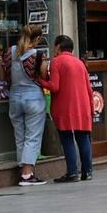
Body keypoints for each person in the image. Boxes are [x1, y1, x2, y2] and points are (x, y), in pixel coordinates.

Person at [37, 35, 96, 183]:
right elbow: (89, 88)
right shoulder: (79, 63)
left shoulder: (56, 61)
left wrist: (40, 81)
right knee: (83, 139)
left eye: (54, 46)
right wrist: (91, 107)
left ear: (58, 47)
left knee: (67, 139)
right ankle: (87, 172)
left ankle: (72, 172)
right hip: (82, 107)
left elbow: (55, 86)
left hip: (64, 107)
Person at [1, 24, 47, 186]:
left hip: (14, 97)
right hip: (34, 98)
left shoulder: (9, 52)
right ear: (37, 38)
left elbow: (2, 75)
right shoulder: (38, 56)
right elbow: (44, 76)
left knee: (20, 135)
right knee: (32, 137)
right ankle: (27, 174)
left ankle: (23, 169)